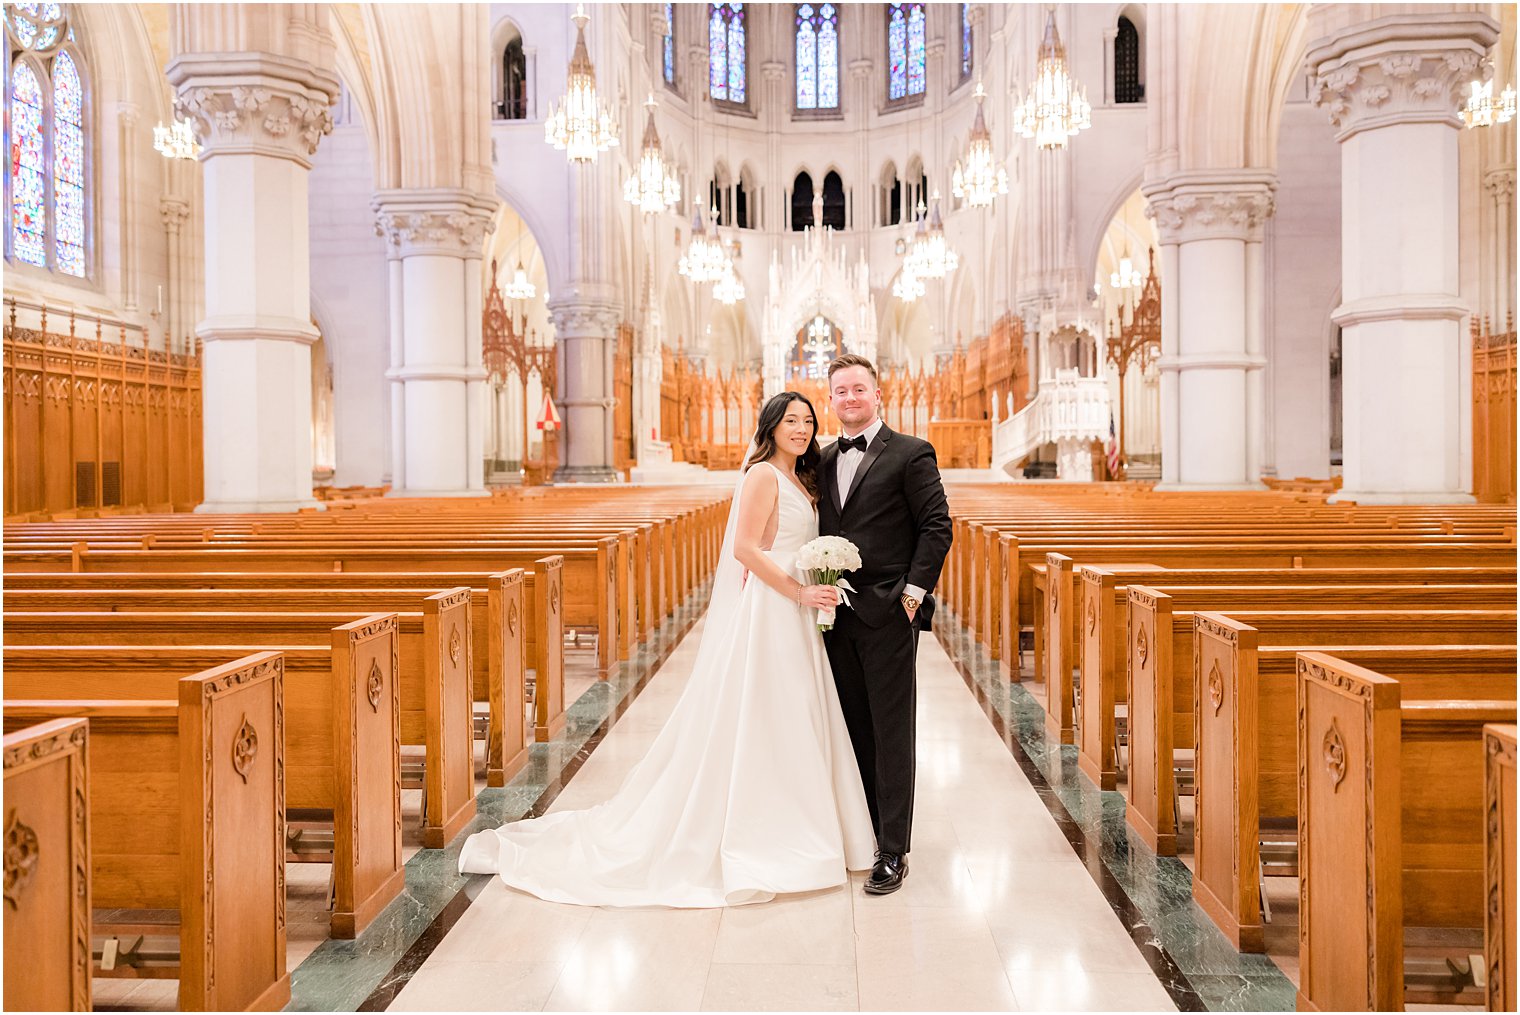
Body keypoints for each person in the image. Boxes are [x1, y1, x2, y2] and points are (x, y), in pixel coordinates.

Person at [457, 391, 876, 907]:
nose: (802, 428)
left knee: (796, 714)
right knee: (768, 714)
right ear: (770, 426)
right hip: (773, 610)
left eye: (808, 421)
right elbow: (746, 549)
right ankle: (769, 832)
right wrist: (797, 591)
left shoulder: (801, 477)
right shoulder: (763, 474)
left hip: (796, 613)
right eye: (790, 420)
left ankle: (804, 824)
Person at [817, 354, 953, 895]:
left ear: (878, 395)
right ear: (830, 400)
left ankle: (893, 849)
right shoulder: (823, 460)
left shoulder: (911, 452)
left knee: (892, 731)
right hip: (834, 615)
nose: (849, 398)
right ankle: (862, 831)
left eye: (858, 389)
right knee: (852, 729)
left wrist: (914, 593)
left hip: (891, 611)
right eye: (839, 392)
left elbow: (936, 526)